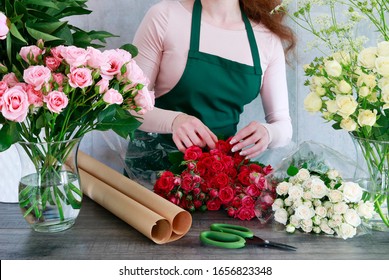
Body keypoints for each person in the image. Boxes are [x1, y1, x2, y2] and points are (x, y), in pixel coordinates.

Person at [125, 0, 295, 183]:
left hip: (219, 183)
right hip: (151, 177)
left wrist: (267, 133)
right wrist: (174, 121)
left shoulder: (267, 39)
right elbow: (129, 106)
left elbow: (283, 126)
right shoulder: (164, 16)